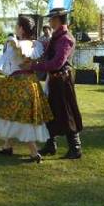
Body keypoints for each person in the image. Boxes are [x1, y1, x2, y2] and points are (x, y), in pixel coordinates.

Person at [0, 15, 53, 162]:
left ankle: (34, 153)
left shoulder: (15, 44)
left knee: (22, 117)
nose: (15, 28)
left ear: (21, 29)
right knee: (16, 114)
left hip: (19, 84)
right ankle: (7, 146)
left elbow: (0, 64)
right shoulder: (36, 44)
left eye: (16, 26)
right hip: (32, 83)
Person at [26, 8, 84, 159]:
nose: (49, 21)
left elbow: (57, 63)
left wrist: (34, 66)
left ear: (57, 19)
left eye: (51, 19)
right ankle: (50, 144)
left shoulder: (65, 38)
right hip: (55, 80)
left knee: (66, 113)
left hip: (62, 80)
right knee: (49, 111)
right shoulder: (57, 36)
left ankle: (75, 148)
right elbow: (48, 53)